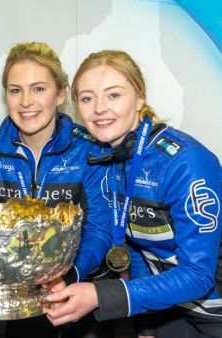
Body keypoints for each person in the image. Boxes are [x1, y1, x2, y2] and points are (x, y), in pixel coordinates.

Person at [45, 50, 222, 338]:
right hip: (172, 309)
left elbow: (199, 275)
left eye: (113, 95)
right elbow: (138, 248)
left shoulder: (185, 161)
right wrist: (146, 324)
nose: (99, 108)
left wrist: (102, 295)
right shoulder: (113, 157)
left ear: (139, 98)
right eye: (87, 98)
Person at [0, 42, 113, 338]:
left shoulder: (90, 149)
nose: (26, 101)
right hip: (17, 298)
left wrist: (69, 275)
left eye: (38, 89)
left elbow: (100, 230)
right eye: (15, 90)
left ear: (60, 94)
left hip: (81, 289)